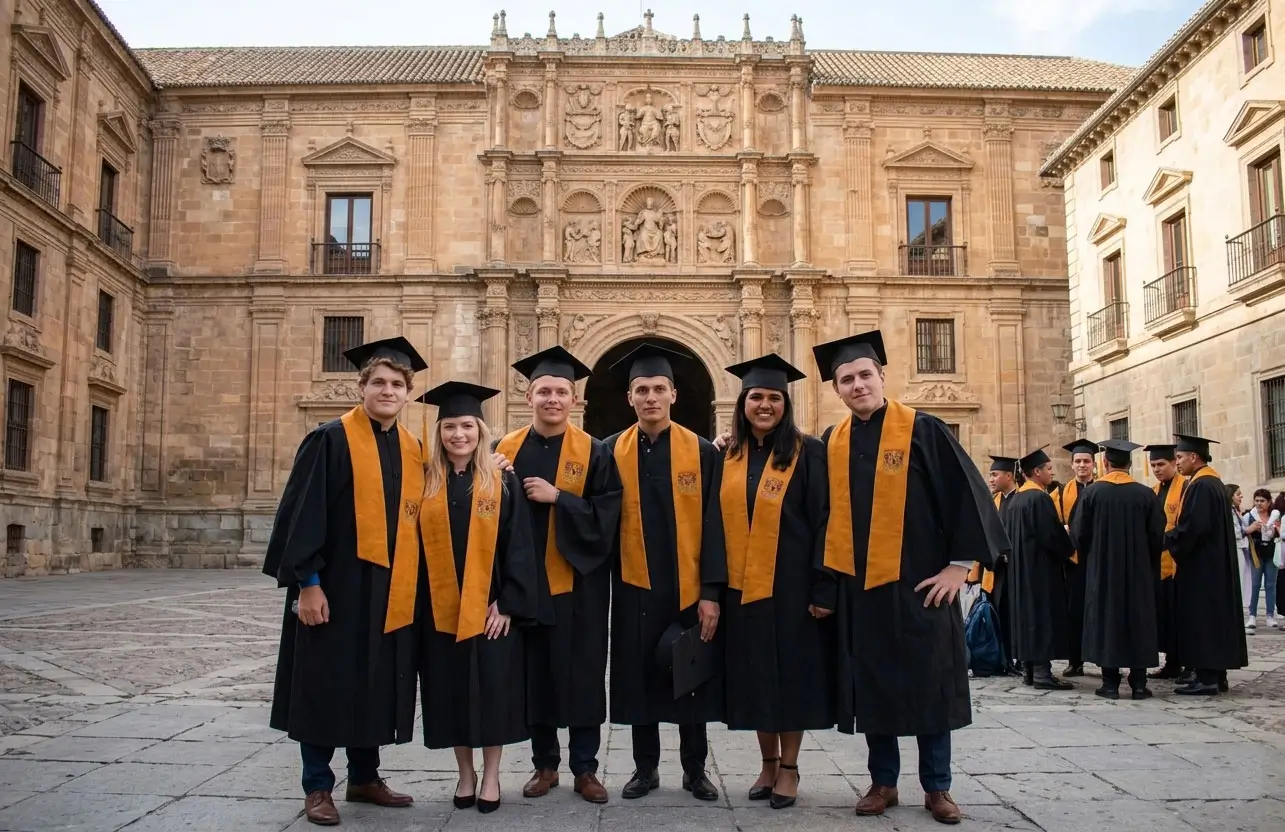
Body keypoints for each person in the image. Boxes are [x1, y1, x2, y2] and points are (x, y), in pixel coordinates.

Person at [812, 330, 1009, 826]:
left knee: (930, 686)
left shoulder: (924, 429)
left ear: (882, 376)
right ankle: (883, 782)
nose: (858, 385)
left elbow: (966, 496)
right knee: (873, 686)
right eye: (847, 380)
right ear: (836, 390)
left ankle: (937, 786)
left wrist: (958, 567)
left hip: (922, 588)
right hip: (861, 591)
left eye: (865, 375)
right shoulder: (833, 442)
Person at [263, 336, 426, 826]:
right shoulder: (329, 439)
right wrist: (308, 583)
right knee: (324, 683)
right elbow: (302, 513)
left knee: (374, 682)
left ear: (408, 393)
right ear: (361, 387)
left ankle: (364, 777)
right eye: (379, 382)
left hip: (389, 589)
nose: (387, 391)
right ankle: (317, 785)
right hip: (336, 587)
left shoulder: (412, 448)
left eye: (397, 384)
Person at [701, 354, 834, 810]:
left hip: (793, 590)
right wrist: (712, 591)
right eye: (756, 396)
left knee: (792, 679)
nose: (764, 405)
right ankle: (768, 763)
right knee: (756, 677)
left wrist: (823, 588)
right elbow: (712, 525)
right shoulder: (727, 456)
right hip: (742, 589)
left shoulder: (808, 451)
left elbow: (824, 521)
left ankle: (790, 767)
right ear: (742, 404)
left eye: (774, 397)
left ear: (785, 404)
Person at [497, 347, 623, 805]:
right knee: (536, 675)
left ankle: (585, 768)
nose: (553, 399)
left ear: (574, 399)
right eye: (544, 391)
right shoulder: (504, 451)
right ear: (528, 395)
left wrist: (560, 499)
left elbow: (609, 514)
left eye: (562, 392)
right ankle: (544, 765)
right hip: (525, 584)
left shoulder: (594, 451)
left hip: (580, 584)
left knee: (584, 674)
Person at [602, 343, 724, 802]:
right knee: (639, 681)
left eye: (658, 389)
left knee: (691, 677)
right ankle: (645, 768)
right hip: (634, 586)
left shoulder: (702, 452)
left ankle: (695, 770)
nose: (650, 397)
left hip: (686, 586)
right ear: (629, 398)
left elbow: (715, 524)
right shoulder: (610, 451)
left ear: (673, 394)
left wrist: (710, 591)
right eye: (641, 390)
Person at [415, 382, 541, 813]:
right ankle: (465, 774)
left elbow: (520, 544)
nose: (459, 434)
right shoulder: (424, 480)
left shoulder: (502, 479)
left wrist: (508, 603)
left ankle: (491, 776)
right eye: (450, 426)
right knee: (451, 691)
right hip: (440, 607)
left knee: (493, 692)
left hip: (491, 609)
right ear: (439, 433)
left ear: (480, 430)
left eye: (467, 425)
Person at [1071, 440, 1164, 700]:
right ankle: (1139, 684)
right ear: (1130, 464)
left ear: (1105, 462)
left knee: (1106, 619)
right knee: (1138, 619)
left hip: (1102, 570)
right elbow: (1157, 534)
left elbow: (1079, 533)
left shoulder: (1091, 494)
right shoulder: (1146, 494)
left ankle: (1110, 683)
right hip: (1138, 570)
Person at [1166, 434, 1249, 696]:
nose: (1177, 462)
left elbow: (1193, 527)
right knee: (1214, 618)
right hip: (1212, 564)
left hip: (1203, 568)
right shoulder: (1212, 482)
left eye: (1180, 457)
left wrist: (1167, 539)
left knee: (1204, 619)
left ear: (1194, 457)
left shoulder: (1202, 485)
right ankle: (1216, 675)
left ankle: (1207, 678)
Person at [1006, 447, 1076, 690]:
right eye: (1048, 468)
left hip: (1021, 570)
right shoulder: (1038, 499)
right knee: (1041, 616)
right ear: (1036, 471)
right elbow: (1051, 535)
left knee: (1026, 617)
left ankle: (1029, 671)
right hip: (1040, 570)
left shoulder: (1016, 500)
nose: (1051, 472)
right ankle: (1042, 674)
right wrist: (1069, 545)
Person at [967, 457, 1020, 676]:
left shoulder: (1021, 500)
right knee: (998, 614)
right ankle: (1003, 658)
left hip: (1016, 570)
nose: (991, 479)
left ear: (1009, 476)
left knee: (1015, 615)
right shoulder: (994, 502)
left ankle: (1019, 658)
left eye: (994, 475)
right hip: (996, 570)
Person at [1054, 439, 1096, 678]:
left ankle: (1104, 659)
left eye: (1086, 461)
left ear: (1094, 464)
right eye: (1078, 461)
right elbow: (1053, 522)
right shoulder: (1061, 493)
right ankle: (1075, 660)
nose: (1082, 465)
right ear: (1071, 465)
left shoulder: (1102, 488)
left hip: (1097, 559)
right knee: (1074, 611)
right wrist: (1063, 530)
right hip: (1072, 561)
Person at [1145, 444, 1185, 680]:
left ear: (1173, 463)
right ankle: (1172, 662)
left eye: (1161, 464)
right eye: (1153, 466)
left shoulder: (1186, 488)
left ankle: (1187, 663)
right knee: (1165, 617)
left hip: (1179, 563)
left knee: (1181, 617)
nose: (1157, 470)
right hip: (1158, 563)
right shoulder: (1153, 491)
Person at [1243, 489, 1281, 630]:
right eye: (1257, 500)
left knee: (1271, 585)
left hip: (1271, 552)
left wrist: (1277, 528)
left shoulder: (1274, 515)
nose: (1259, 503)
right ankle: (1252, 615)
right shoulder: (1249, 516)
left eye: (1262, 501)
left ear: (1269, 502)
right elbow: (1242, 532)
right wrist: (1251, 528)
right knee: (1255, 584)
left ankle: (1270, 615)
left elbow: (1280, 533)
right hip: (1256, 553)